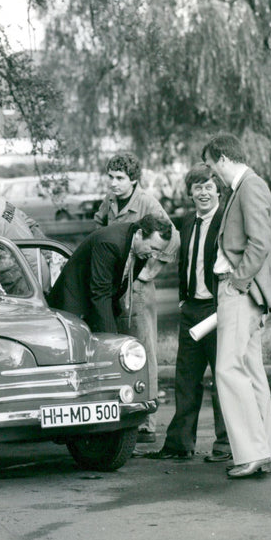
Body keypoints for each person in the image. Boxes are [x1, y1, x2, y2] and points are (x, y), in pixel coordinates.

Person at [202, 133, 271, 478]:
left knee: (228, 370)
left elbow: (260, 242)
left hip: (239, 292)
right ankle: (262, 451)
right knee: (250, 371)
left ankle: (250, 454)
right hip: (247, 294)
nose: (211, 174)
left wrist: (237, 281)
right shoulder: (247, 186)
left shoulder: (249, 186)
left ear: (222, 158)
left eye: (210, 165)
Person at [92, 153, 180, 444]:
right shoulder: (109, 201)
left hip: (138, 289)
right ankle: (124, 411)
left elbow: (173, 238)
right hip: (116, 286)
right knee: (119, 348)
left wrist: (147, 276)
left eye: (119, 178)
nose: (113, 183)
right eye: (110, 177)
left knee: (143, 350)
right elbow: (100, 229)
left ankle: (148, 420)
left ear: (133, 180)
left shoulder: (146, 202)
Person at [145, 164, 230, 461]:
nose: (203, 193)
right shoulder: (187, 221)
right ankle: (180, 444)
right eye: (197, 187)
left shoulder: (227, 220)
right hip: (192, 308)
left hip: (218, 311)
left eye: (208, 186)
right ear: (190, 193)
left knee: (223, 379)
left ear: (218, 190)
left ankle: (226, 446)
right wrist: (183, 301)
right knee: (185, 379)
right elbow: (184, 261)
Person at [46, 214, 173, 335]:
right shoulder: (110, 243)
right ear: (140, 234)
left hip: (94, 305)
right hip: (72, 306)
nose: (153, 255)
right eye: (153, 249)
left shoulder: (142, 248)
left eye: (158, 252)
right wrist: (112, 339)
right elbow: (100, 293)